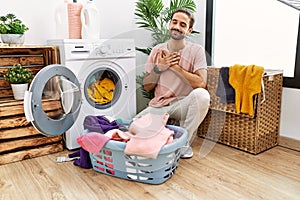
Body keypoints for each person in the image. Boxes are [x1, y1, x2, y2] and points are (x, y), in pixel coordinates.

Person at [135, 8, 210, 158]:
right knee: (133, 127)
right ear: (169, 24)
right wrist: (159, 68)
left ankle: (182, 143)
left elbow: (201, 83)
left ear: (189, 30)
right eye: (174, 22)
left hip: (183, 105)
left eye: (183, 24)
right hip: (160, 105)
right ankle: (170, 130)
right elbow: (147, 86)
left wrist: (175, 67)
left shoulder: (196, 51)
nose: (177, 26)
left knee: (202, 95)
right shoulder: (157, 50)